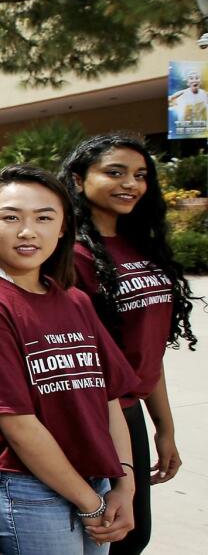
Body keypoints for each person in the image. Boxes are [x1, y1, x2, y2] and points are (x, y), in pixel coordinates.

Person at [0, 165, 139, 554]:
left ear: (64, 227)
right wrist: (90, 504)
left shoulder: (75, 300)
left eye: (44, 217)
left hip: (95, 481)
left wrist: (125, 484)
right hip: (27, 489)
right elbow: (17, 424)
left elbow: (108, 399)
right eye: (11, 217)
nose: (27, 231)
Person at [61, 134, 199, 555]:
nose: (131, 184)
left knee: (133, 537)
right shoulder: (69, 255)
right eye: (115, 172)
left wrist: (166, 428)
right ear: (80, 181)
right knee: (113, 536)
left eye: (140, 175)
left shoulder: (143, 246)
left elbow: (147, 352)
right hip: (92, 417)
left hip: (130, 411)